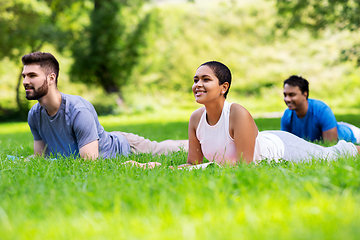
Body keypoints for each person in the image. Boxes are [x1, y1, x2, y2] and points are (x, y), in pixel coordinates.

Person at [180, 61, 359, 167]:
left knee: (334, 154)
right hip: (266, 138)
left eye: (206, 79)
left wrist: (206, 168)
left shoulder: (236, 113)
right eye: (195, 80)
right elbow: (193, 165)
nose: (198, 84)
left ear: (223, 87)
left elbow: (245, 167)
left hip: (282, 148)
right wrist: (165, 168)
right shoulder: (196, 119)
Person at [22, 51, 188, 161]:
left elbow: (89, 162)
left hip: (126, 146)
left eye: (32, 75)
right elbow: (40, 157)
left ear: (51, 78)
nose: (25, 81)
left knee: (165, 149)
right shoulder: (35, 115)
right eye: (24, 76)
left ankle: (198, 142)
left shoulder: (78, 110)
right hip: (101, 139)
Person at [281, 75, 360, 143]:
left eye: (292, 95)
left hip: (353, 134)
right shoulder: (287, 115)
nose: (287, 99)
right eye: (285, 95)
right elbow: (286, 144)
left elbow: (330, 145)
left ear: (305, 94)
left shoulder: (322, 110)